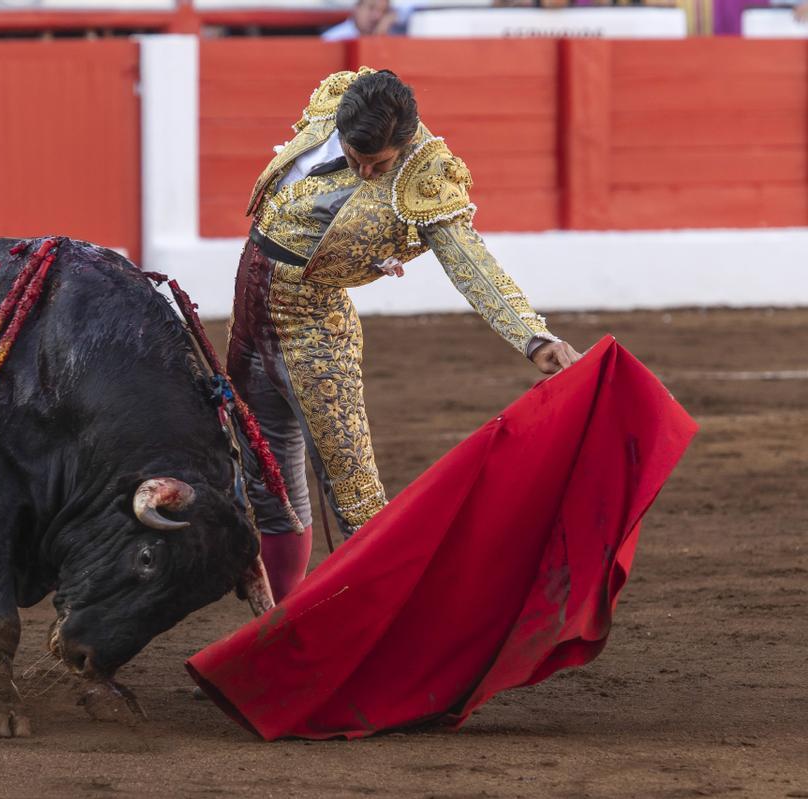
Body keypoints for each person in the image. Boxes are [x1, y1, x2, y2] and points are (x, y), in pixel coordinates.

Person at [229, 68, 581, 602]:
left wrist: (535, 338)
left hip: (315, 333)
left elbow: (470, 262)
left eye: (381, 164)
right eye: (355, 157)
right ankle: (278, 622)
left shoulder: (427, 177)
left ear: (406, 143)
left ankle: (397, 618)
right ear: (341, 128)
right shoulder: (334, 100)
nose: (367, 171)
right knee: (269, 479)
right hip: (250, 319)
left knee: (356, 495)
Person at [321, 0, 409, 40]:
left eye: (384, 11)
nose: (377, 16)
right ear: (357, 8)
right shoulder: (332, 38)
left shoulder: (392, 37)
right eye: (371, 8)